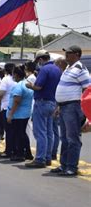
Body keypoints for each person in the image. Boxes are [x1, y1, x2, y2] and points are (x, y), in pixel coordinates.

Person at [51, 45, 90, 176]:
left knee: (73, 138)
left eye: (69, 53)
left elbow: (87, 90)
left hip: (73, 107)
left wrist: (85, 112)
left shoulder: (80, 69)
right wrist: (58, 106)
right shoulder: (68, 68)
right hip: (63, 106)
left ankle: (72, 167)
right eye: (66, 53)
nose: (66, 55)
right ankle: (64, 165)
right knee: (65, 138)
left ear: (77, 55)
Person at [25, 50, 61, 168]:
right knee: (49, 132)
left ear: (40, 59)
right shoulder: (57, 69)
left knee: (40, 132)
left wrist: (30, 86)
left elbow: (38, 86)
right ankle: (48, 157)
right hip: (52, 102)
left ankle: (40, 158)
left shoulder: (44, 70)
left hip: (42, 102)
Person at [6, 66, 34, 162]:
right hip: (25, 113)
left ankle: (20, 154)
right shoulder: (28, 84)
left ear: (16, 75)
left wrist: (10, 114)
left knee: (18, 134)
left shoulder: (18, 86)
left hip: (18, 114)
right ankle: (28, 153)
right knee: (22, 133)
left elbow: (16, 101)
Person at [0, 63, 16, 158]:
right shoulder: (17, 80)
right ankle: (14, 149)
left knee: (8, 130)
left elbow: (1, 93)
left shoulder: (6, 79)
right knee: (14, 130)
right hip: (15, 106)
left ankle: (8, 151)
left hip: (6, 107)